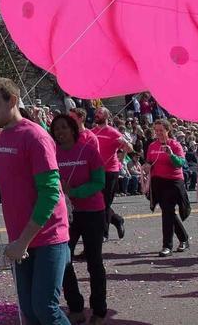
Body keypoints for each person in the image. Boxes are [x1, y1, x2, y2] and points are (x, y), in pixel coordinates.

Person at [0, 78, 71, 325]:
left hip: (48, 236)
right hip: (18, 240)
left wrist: (23, 242)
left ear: (13, 101)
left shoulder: (35, 136)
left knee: (45, 309)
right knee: (28, 312)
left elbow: (50, 194)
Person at [50, 113, 108, 324]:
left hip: (93, 212)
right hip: (66, 216)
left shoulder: (89, 150)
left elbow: (99, 182)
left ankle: (99, 310)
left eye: (64, 127)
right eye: (56, 129)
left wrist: (75, 192)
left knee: (94, 262)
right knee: (64, 261)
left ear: (73, 129)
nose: (60, 132)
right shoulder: (51, 153)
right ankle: (75, 306)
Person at [145, 119, 190, 257]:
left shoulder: (175, 145)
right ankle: (184, 238)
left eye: (161, 130)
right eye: (156, 130)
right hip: (158, 182)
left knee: (167, 212)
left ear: (167, 130)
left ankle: (167, 246)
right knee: (168, 211)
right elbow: (149, 161)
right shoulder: (152, 145)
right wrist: (147, 166)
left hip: (173, 181)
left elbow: (181, 163)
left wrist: (171, 154)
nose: (158, 133)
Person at [91, 107, 130, 240]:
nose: (97, 114)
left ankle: (104, 233)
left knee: (105, 203)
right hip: (95, 171)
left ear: (107, 116)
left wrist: (122, 155)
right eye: (96, 113)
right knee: (97, 202)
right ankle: (117, 220)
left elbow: (129, 148)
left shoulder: (113, 132)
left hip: (110, 171)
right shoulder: (92, 131)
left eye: (100, 113)